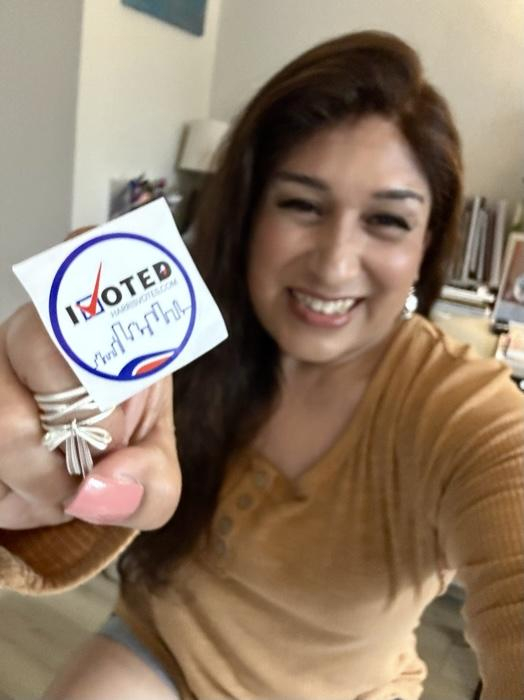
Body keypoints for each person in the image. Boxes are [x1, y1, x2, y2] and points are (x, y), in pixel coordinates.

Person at [0, 30, 522, 700]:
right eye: (302, 205)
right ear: (246, 211)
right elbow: (54, 538)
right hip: (161, 650)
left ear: (428, 243)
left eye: (387, 221)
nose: (335, 264)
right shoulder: (175, 334)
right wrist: (34, 481)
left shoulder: (461, 410)